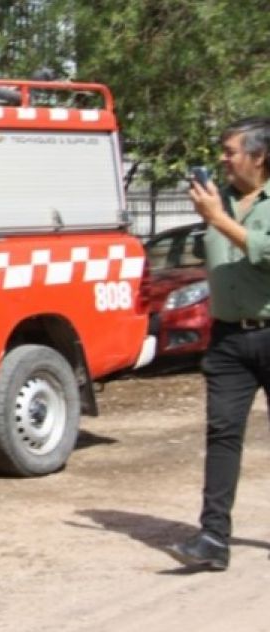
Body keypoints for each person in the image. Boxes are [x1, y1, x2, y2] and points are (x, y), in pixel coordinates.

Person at [167, 116, 270, 571]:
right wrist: (215, 215)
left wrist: (219, 220)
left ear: (259, 155)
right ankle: (213, 538)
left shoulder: (222, 211)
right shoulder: (219, 201)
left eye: (231, 152)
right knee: (222, 434)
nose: (223, 160)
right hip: (228, 338)